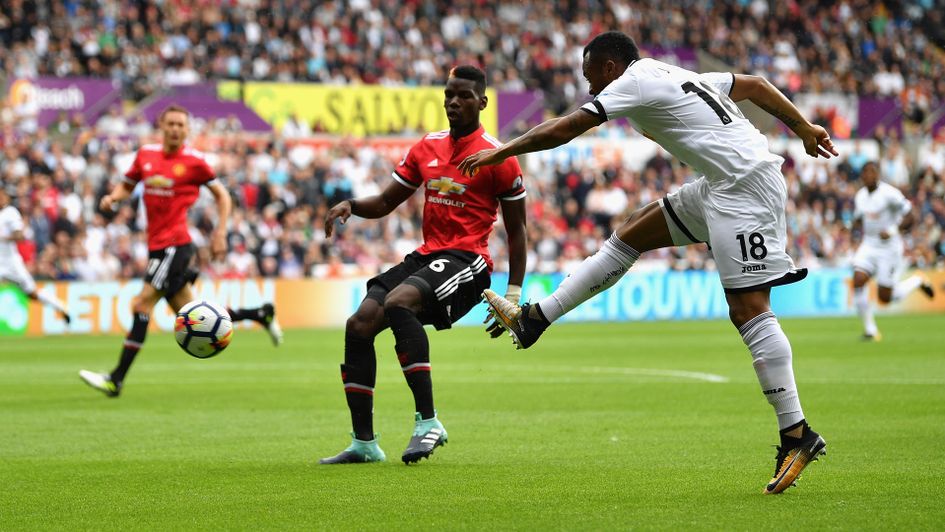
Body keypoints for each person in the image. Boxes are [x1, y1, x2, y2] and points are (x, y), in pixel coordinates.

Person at [459, 31, 835, 494]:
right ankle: (535, 320)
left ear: (610, 67)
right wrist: (803, 128)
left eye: (590, 76)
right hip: (720, 184)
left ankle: (797, 434)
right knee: (632, 232)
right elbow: (754, 85)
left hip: (744, 188)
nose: (590, 87)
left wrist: (502, 151)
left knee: (749, 309)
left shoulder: (633, 81)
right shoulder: (672, 73)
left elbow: (566, 127)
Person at [320, 66, 527, 465]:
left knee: (398, 302)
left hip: (468, 260)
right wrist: (351, 205)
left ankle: (428, 422)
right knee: (359, 325)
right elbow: (385, 202)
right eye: (449, 94)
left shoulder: (499, 157)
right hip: (428, 255)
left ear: (482, 102)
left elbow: (517, 232)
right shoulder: (426, 147)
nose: (453, 102)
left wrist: (513, 295)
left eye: (464, 96)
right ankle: (364, 444)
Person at [79, 104, 283, 398]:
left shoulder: (195, 162)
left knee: (141, 305)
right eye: (171, 124)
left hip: (175, 245)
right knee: (190, 314)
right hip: (156, 246)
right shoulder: (145, 155)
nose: (175, 129)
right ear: (161, 126)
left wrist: (220, 232)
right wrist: (113, 197)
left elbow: (223, 196)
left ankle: (116, 379)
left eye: (181, 125)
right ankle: (260, 313)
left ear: (187, 130)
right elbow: (127, 185)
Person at [851, 161, 934, 341]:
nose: (869, 175)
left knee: (885, 297)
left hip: (889, 249)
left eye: (872, 172)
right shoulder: (860, 196)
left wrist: (893, 230)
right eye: (865, 172)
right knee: (858, 279)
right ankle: (870, 330)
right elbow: (858, 219)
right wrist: (850, 228)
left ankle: (917, 280)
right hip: (869, 244)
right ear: (862, 176)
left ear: (878, 174)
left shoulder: (890, 194)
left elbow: (911, 215)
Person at [0, 185, 72, 324]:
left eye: (3, 195)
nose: (1, 197)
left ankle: (60, 306)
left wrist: (2, 238)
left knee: (31, 293)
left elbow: (20, 235)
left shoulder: (10, 213)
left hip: (10, 262)